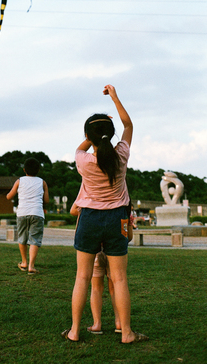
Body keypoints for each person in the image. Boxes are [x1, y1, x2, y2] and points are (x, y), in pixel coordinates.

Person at [62, 84, 148, 344]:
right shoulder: (121, 155)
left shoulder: (82, 160)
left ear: (89, 135)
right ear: (110, 136)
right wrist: (114, 97)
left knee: (82, 277)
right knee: (120, 278)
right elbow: (129, 126)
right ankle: (127, 333)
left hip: (89, 218)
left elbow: (83, 145)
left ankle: (76, 331)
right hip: (117, 219)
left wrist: (95, 132)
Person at [70, 201, 134, 335]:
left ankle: (96, 323)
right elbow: (128, 237)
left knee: (95, 288)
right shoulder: (124, 206)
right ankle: (119, 323)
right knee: (116, 285)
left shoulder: (88, 197)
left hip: (94, 252)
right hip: (114, 253)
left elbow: (72, 211)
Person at [6, 157, 49, 275]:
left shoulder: (19, 181)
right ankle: (31, 266)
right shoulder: (42, 182)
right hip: (37, 213)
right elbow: (46, 200)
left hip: (22, 213)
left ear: (24, 170)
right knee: (34, 239)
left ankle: (24, 262)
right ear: (38, 170)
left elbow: (9, 196)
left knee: (22, 237)